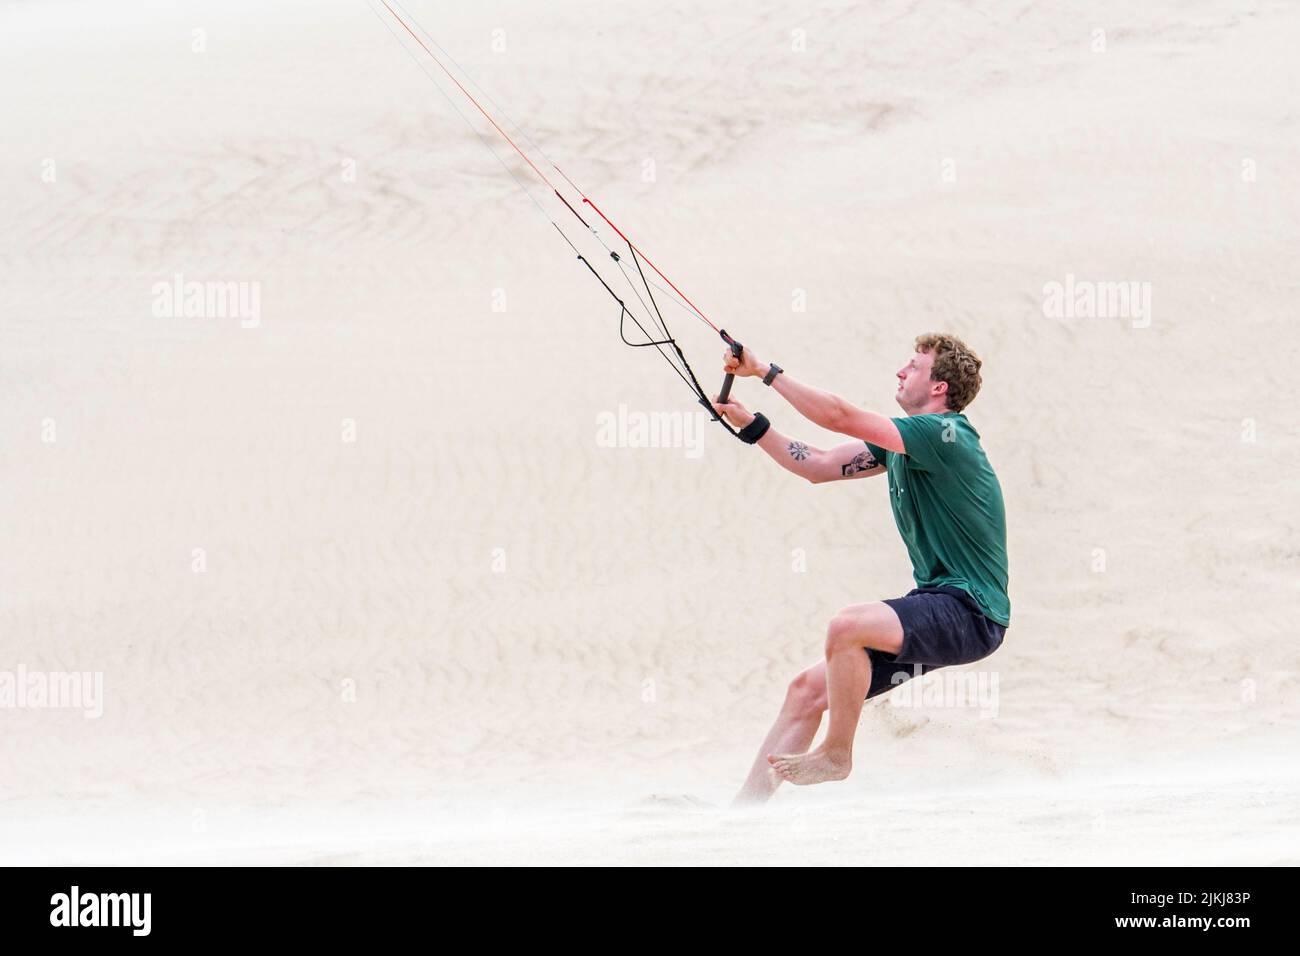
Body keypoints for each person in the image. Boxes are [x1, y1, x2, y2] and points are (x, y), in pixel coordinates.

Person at [712, 333, 1010, 805]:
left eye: (913, 366)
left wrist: (763, 370)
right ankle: (743, 812)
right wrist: (753, 425)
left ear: (938, 387)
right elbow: (821, 464)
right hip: (939, 606)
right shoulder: (903, 446)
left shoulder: (943, 434)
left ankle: (836, 753)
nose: (900, 371)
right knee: (807, 690)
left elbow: (839, 416)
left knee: (847, 627)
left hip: (972, 612)